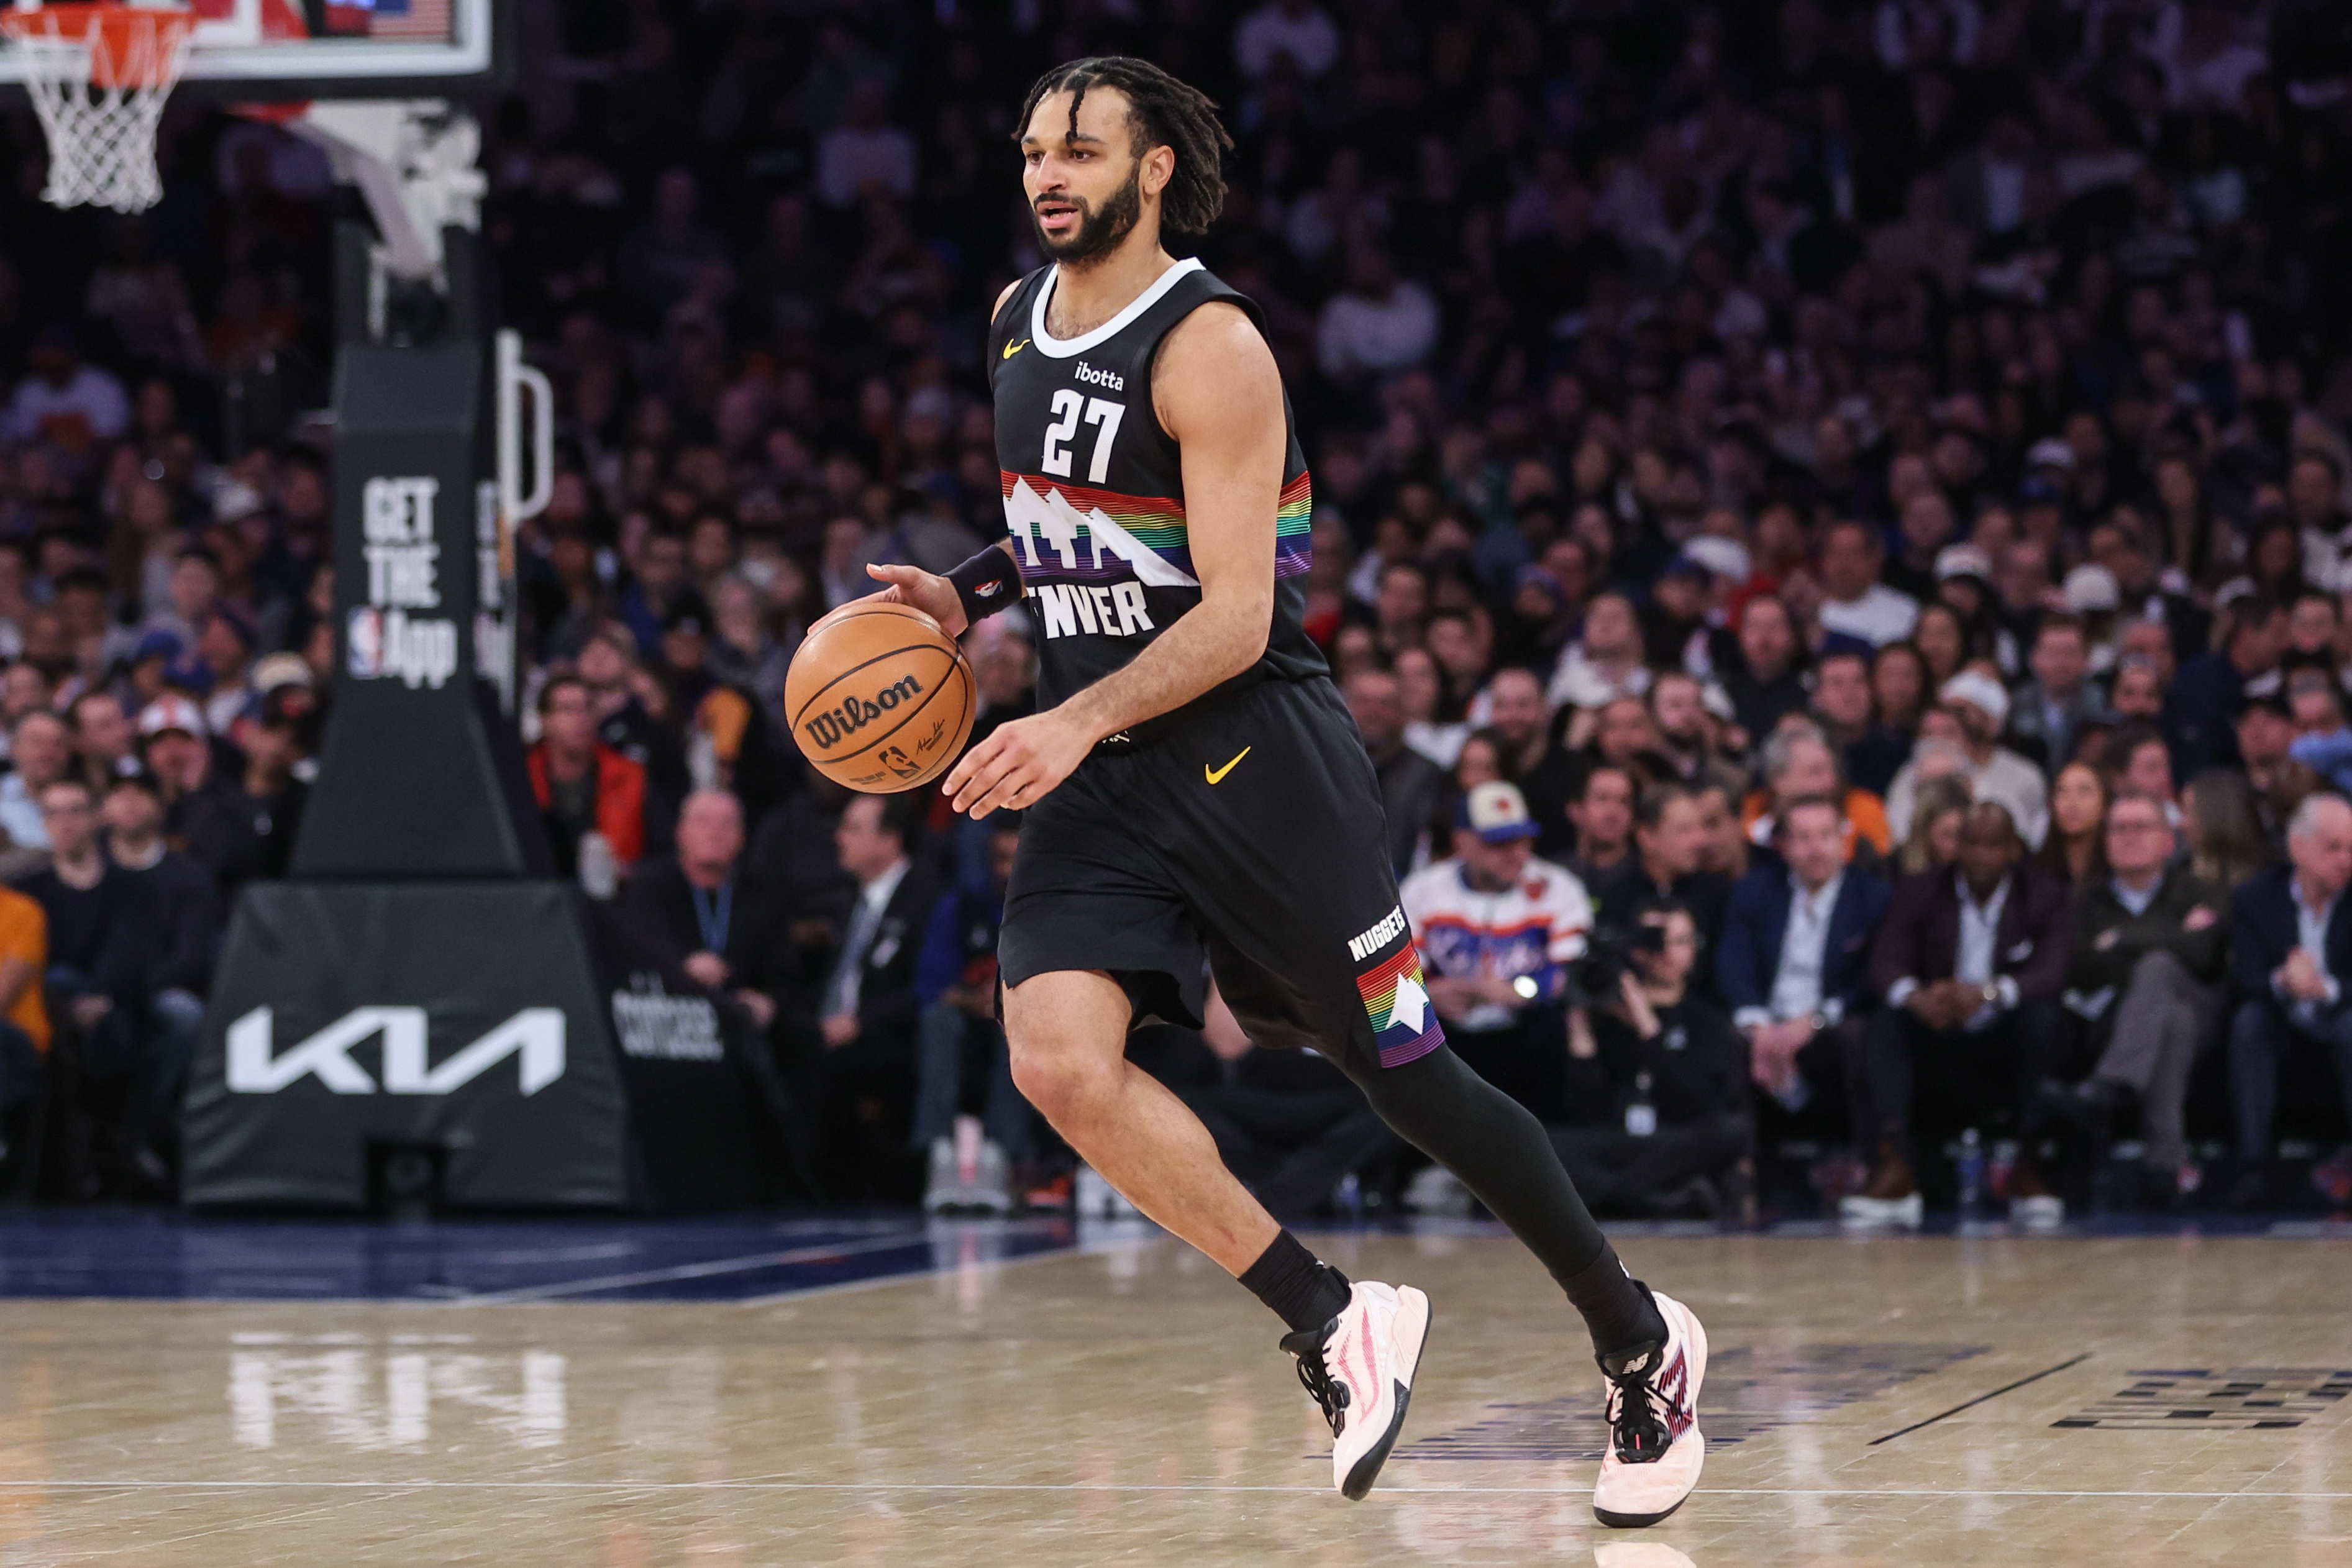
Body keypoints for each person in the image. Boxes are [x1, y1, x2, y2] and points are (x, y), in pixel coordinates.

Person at [862, 57, 1703, 1524]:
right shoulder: (1012, 321)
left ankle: (1637, 1342)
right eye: (1031, 150)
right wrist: (965, 591)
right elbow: (1071, 532)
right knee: (1052, 1058)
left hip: (1256, 762)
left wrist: (1064, 721)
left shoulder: (1210, 346)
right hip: (1107, 773)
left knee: (1408, 1081)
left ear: (1152, 174)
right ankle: (1329, 1318)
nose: (1047, 172)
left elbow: (1234, 613)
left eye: (1081, 149)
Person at [1847, 803, 2071, 1226]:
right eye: (1970, 843)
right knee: (1882, 1024)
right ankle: (1894, 1165)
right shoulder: (1921, 889)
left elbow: (2052, 971)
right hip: (1939, 1029)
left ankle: (2029, 1167)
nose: (1980, 855)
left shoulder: (2043, 894)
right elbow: (1886, 961)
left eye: (1992, 846)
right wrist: (1917, 997)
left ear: (2014, 850)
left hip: (2004, 1033)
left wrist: (1990, 994)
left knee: (2044, 1020)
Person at [2041, 792, 2228, 1218]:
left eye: (2141, 827)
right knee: (2169, 1016)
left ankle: (2106, 1088)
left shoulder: (2202, 891)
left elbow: (2202, 956)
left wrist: (2122, 941)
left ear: (2168, 840)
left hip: (2203, 1013)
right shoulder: (2082, 902)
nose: (2128, 837)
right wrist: (2170, 936)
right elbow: (2076, 967)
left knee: (2161, 970)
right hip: (2116, 1023)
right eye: (2118, 829)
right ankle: (2164, 1170)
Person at [1399, 782, 1593, 1123]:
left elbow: (1573, 975)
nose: (1515, 853)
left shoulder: (1558, 889)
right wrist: (1429, 995)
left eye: (1521, 840)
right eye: (1498, 843)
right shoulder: (1423, 891)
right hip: (1448, 1037)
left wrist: (1520, 992)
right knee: (1401, 1023)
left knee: (1557, 1027)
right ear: (1463, 843)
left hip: (1523, 1037)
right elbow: (1394, 978)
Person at [1551, 900, 1751, 1218]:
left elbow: (1694, 1104)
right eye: (1656, 941)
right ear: (1636, 948)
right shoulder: (1602, 1013)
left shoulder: (1706, 1020)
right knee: (1546, 1141)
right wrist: (1580, 1024)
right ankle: (1649, 1200)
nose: (1668, 953)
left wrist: (1648, 1028)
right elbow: (1583, 1111)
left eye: (1681, 941)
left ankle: (1611, 1198)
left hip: (1671, 1142)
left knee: (1731, 1131)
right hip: (1617, 1141)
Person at [1718, 796, 1891, 1138]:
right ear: (1783, 846)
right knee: (1720, 1038)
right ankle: (1741, 1167)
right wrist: (1758, 1025)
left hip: (1829, 1019)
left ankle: (1869, 1156)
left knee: (1862, 1038)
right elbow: (1734, 962)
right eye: (1804, 838)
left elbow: (1870, 977)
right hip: (1767, 1019)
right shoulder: (1755, 891)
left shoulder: (1873, 898)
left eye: (1826, 836)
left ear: (1844, 840)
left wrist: (1815, 1021)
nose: (1817, 849)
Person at [2225, 793, 2352, 1211]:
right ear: (2298, 847)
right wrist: (2282, 980)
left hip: (2341, 1024)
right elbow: (2244, 977)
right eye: (2334, 848)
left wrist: (2327, 988)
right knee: (2249, 1022)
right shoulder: (2254, 898)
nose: (2346, 860)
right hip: (2283, 1028)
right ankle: (2255, 1169)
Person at [810, 793, 940, 1201]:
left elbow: (930, 989)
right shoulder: (847, 900)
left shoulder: (927, 899)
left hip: (892, 1038)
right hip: (836, 1031)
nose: (840, 838)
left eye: (853, 828)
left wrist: (861, 1021)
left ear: (890, 840)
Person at [910, 817, 1032, 1212]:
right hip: (966, 1019)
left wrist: (1004, 1003)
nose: (1008, 870)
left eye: (1018, 859)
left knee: (1021, 1027)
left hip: (1022, 1020)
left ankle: (1002, 1154)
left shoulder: (1048, 914)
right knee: (936, 1020)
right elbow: (931, 984)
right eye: (1000, 858)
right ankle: (941, 1151)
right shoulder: (960, 906)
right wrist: (972, 1000)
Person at [1885, 675, 2049, 849]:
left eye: (1948, 733)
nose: (1937, 743)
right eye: (1928, 733)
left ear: (1965, 739)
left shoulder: (2014, 778)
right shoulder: (1907, 776)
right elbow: (1897, 837)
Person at [528, 674, 650, 881]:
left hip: (616, 898)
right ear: (544, 719)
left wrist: (632, 873)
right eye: (568, 710)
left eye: (587, 708)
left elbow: (664, 853)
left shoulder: (630, 776)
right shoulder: (521, 778)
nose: (581, 718)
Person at [1344, 667, 1448, 877]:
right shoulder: (1325, 766)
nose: (1374, 712)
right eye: (1363, 702)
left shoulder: (1428, 774)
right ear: (1345, 707)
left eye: (1385, 703)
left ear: (1403, 711)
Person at [2006, 613, 2102, 772]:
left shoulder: (2101, 703)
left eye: (2070, 653)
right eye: (2052, 653)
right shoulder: (2017, 701)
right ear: (2035, 657)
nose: (2061, 662)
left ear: (2087, 658)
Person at [2032, 760, 2110, 886]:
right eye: (2062, 791)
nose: (2072, 803)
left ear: (2106, 802)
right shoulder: (2034, 874)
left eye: (2085, 791)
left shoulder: (2118, 870)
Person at [1564, 763, 1638, 890]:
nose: (1613, 813)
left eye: (1624, 802)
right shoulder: (1553, 877)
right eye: (1602, 799)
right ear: (1575, 810)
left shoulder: (1649, 875)